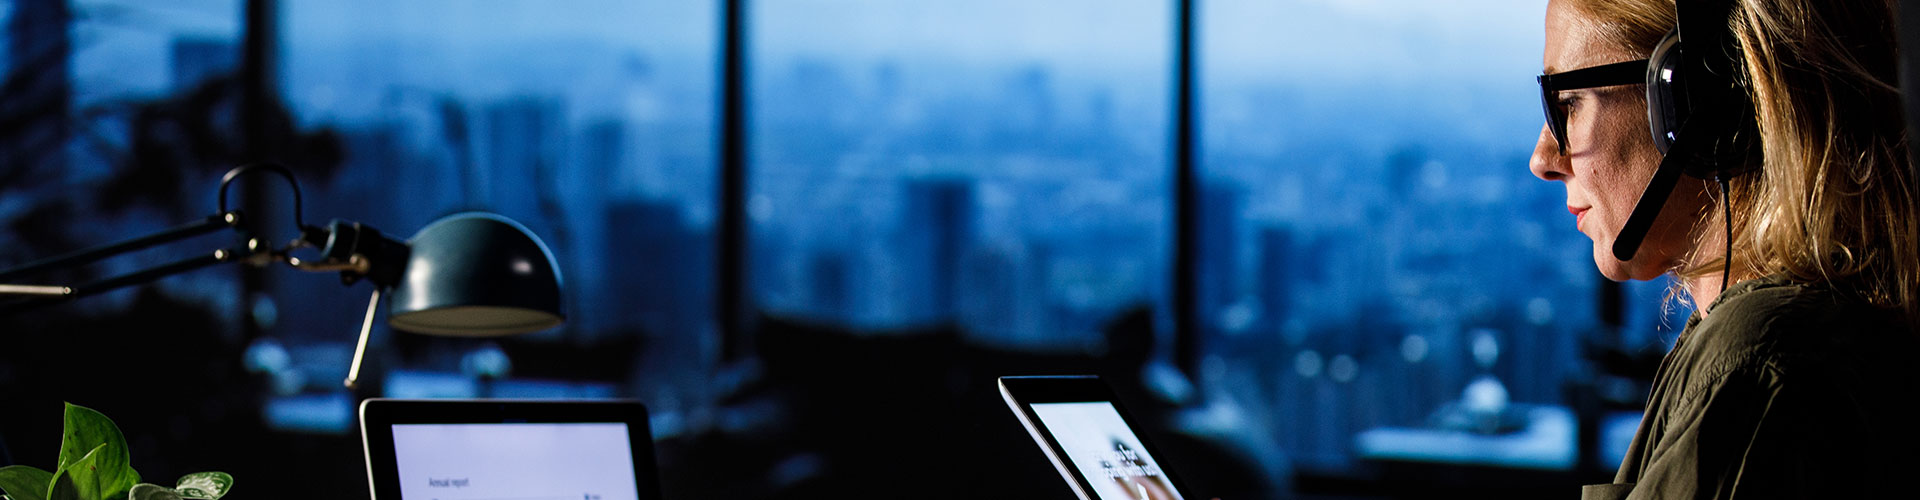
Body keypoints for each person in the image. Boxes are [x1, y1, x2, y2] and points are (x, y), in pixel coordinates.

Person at [1529, 0, 1920, 498]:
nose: (1543, 157)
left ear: (1699, 98)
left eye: (1569, 102)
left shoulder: (1753, 367)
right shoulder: (1792, 345)